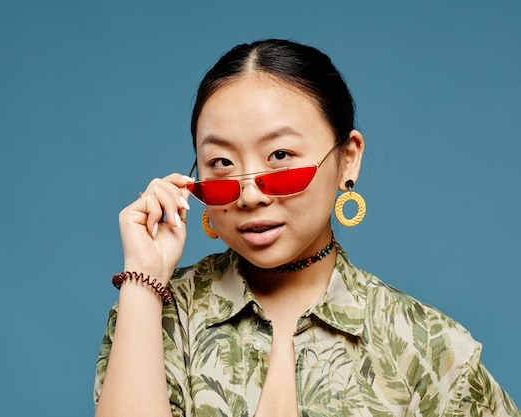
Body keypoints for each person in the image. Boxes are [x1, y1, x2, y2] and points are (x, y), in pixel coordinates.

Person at [92, 39, 519, 417]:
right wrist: (143, 278)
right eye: (221, 164)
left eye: (280, 156)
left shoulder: (429, 346)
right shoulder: (162, 314)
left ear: (347, 158)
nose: (250, 195)